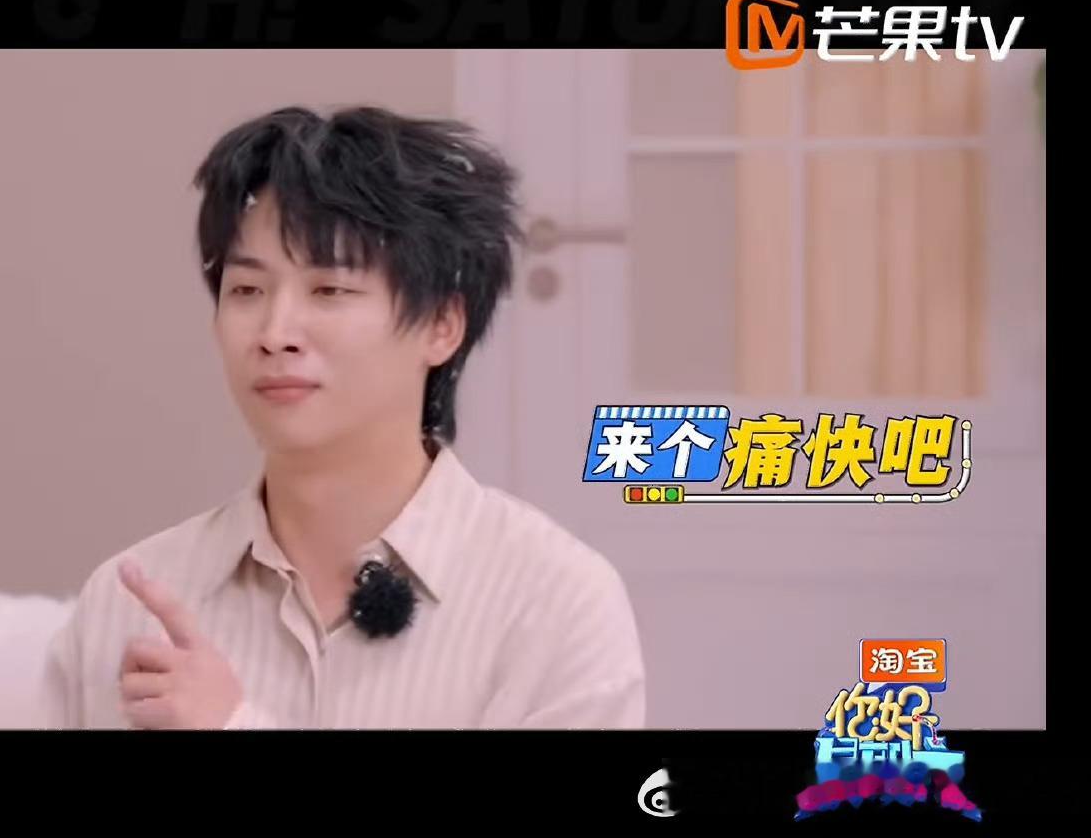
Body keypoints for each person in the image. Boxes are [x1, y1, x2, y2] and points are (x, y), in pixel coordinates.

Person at [39, 106, 645, 729]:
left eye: (329, 290)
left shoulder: (552, 604)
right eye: (246, 291)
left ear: (442, 325)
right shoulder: (129, 604)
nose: (275, 333)